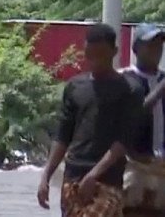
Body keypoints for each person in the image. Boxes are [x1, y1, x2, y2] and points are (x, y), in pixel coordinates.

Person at [37, 23, 136, 216]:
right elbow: (63, 136)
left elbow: (123, 142)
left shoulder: (129, 90)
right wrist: (46, 176)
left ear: (114, 52)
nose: (95, 61)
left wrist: (93, 175)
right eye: (90, 55)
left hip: (107, 179)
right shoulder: (75, 87)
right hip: (73, 176)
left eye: (101, 55)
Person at [120, 24, 165, 213]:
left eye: (159, 45)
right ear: (136, 48)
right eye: (150, 45)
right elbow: (132, 116)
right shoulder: (123, 79)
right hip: (133, 162)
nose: (157, 50)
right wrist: (160, 90)